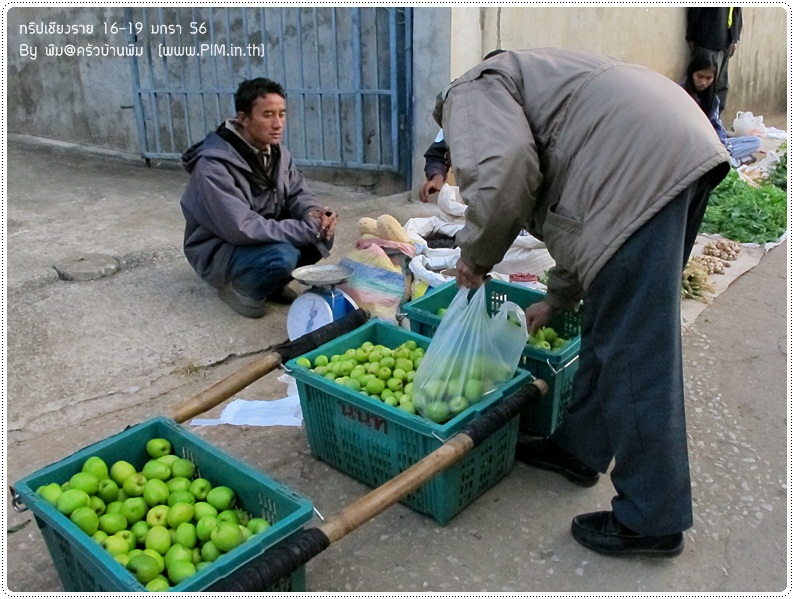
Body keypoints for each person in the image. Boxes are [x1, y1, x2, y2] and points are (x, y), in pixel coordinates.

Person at [434, 49, 730, 557]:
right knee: (615, 322)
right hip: (678, 148)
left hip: (644, 165)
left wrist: (476, 257)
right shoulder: (537, 82)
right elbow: (580, 216)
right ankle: (579, 448)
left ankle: (652, 518)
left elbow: (505, 172)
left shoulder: (469, 91)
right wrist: (560, 295)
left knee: (637, 350)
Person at [180, 77, 337, 318]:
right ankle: (240, 289)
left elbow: (297, 192)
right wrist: (305, 230)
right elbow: (240, 227)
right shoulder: (212, 166)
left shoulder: (276, 151)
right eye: (267, 115)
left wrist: (314, 214)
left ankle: (270, 284)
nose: (278, 124)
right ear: (243, 118)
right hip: (220, 250)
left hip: (257, 239)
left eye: (282, 114)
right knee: (284, 255)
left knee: (322, 235)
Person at [418, 49, 506, 203]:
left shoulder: (525, 112)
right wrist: (437, 177)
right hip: (474, 196)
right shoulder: (463, 110)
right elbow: (436, 154)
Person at [682, 50, 761, 166]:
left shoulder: (713, 100)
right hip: (691, 146)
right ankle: (734, 161)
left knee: (755, 142)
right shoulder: (680, 93)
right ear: (691, 73)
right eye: (699, 76)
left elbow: (717, 126)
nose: (703, 82)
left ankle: (727, 159)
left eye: (709, 78)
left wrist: (722, 147)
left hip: (712, 146)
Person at [686, 7, 743, 115]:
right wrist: (691, 34)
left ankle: (715, 121)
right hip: (708, 38)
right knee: (702, 85)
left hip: (726, 39)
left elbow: (736, 10)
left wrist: (734, 37)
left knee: (720, 86)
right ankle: (700, 121)